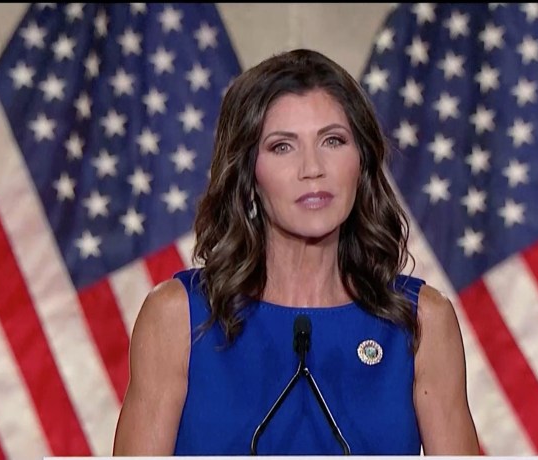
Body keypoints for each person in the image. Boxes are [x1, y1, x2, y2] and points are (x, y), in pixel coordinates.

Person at [112, 48, 479, 456]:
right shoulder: (177, 316)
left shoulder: (422, 320)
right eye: (282, 147)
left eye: (333, 141)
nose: (312, 168)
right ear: (248, 173)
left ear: (362, 161)